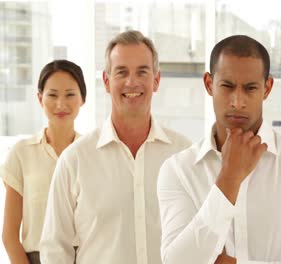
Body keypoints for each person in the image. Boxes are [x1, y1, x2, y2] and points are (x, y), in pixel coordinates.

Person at [157, 35, 281, 264]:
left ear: (267, 88)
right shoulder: (178, 170)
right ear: (208, 84)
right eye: (227, 86)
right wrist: (229, 179)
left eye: (250, 88)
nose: (237, 101)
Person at [39, 30, 191, 264]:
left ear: (156, 80)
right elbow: (55, 249)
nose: (132, 82)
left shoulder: (184, 154)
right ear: (107, 82)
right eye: (121, 72)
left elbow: (200, 241)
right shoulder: (75, 160)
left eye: (142, 71)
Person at [1, 59, 86, 264]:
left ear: (83, 99)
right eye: (53, 95)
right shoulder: (21, 153)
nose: (61, 104)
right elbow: (10, 235)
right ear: (40, 98)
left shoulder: (91, 153)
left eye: (70, 94)